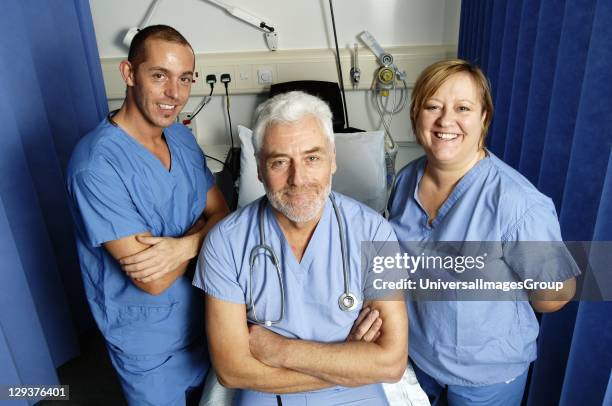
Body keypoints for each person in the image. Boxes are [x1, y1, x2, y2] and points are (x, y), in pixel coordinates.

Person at [193, 91, 408, 405]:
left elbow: (390, 363)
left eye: (312, 158)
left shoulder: (373, 232)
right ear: (259, 169)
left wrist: (280, 351)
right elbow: (233, 370)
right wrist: (349, 362)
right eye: (280, 162)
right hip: (267, 391)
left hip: (350, 391)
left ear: (332, 160)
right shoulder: (226, 242)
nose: (298, 179)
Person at [387, 59, 579, 405]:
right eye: (433, 106)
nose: (446, 121)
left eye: (463, 108)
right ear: (416, 114)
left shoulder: (517, 204)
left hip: (485, 376)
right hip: (417, 354)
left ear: (484, 118)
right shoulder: (405, 180)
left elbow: (555, 295)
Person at [66, 25, 229, 405]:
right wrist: (201, 233)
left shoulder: (182, 138)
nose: (175, 93)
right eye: (160, 76)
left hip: (207, 317)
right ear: (128, 74)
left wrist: (180, 246)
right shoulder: (95, 166)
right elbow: (153, 281)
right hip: (149, 344)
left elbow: (222, 210)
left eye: (185, 79)